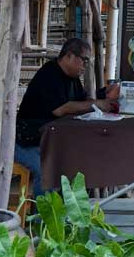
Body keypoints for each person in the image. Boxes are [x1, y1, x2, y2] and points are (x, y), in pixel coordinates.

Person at [15, 38, 118, 195]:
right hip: (24, 142)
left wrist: (105, 93)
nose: (85, 66)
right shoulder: (48, 75)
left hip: (50, 142)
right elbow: (61, 109)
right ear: (69, 55)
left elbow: (83, 101)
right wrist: (98, 104)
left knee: (75, 165)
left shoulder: (72, 78)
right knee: (46, 172)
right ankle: (42, 219)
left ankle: (66, 213)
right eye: (83, 60)